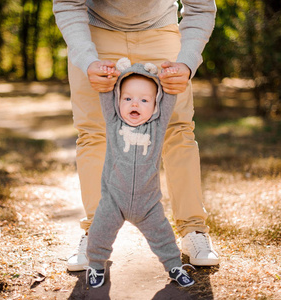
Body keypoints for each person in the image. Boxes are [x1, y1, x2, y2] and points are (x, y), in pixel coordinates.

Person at [52, 0, 220, 272]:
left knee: (177, 130)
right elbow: (68, 3)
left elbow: (200, 7)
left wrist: (187, 63)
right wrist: (87, 60)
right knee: (93, 131)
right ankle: (95, 233)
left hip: (161, 31)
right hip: (96, 31)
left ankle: (193, 231)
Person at [85, 57, 194, 288]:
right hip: (114, 200)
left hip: (148, 203)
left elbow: (169, 97)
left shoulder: (157, 125)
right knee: (99, 232)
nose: (135, 104)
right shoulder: (114, 122)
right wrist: (109, 76)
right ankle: (95, 264)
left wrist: (169, 76)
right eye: (127, 98)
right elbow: (106, 93)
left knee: (163, 235)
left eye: (144, 100)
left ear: (156, 104)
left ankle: (174, 265)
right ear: (118, 100)